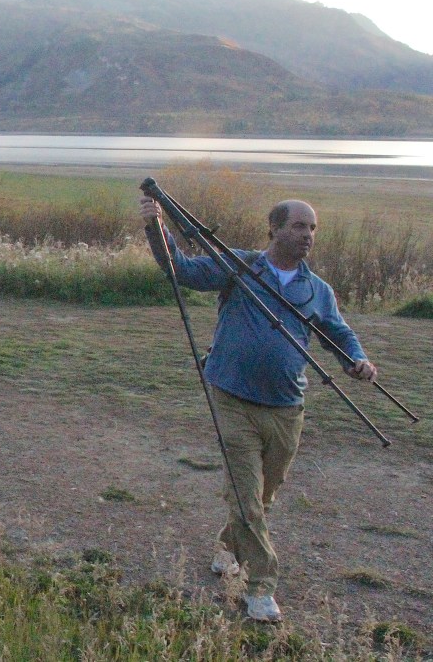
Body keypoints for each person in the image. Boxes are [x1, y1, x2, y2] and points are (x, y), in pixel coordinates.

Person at [139, 195, 377, 623]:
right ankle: (261, 588)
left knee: (263, 494)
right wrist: (157, 228)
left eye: (312, 228)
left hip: (287, 407)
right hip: (232, 398)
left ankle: (228, 547)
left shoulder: (316, 289)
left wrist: (356, 361)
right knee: (246, 495)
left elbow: (337, 333)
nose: (307, 236)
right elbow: (183, 270)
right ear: (274, 229)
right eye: (299, 226)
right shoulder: (240, 266)